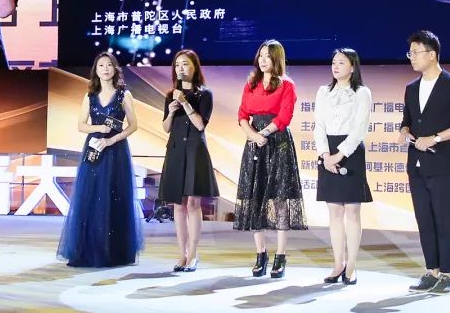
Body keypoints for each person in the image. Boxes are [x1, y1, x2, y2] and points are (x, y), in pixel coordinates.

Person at [398, 30, 450, 294]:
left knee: (444, 219)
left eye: (415, 52)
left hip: (442, 164)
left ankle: (447, 274)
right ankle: (431, 271)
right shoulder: (411, 88)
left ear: (432, 55)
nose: (411, 57)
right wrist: (404, 131)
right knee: (424, 219)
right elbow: (407, 120)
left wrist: (436, 138)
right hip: (416, 164)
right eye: (410, 53)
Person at [57, 53, 144, 267]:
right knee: (91, 197)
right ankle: (89, 250)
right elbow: (81, 125)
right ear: (96, 70)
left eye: (109, 65)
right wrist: (100, 129)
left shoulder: (124, 95)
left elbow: (133, 125)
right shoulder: (90, 96)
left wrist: (112, 139)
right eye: (101, 65)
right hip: (94, 149)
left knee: (115, 196)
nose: (105, 69)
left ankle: (116, 251)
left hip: (116, 151)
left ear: (115, 69)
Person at [235, 39, 306, 278]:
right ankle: (261, 254)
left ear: (277, 59)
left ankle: (281, 256)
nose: (263, 60)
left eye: (268, 56)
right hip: (255, 143)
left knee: (279, 200)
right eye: (261, 55)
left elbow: (284, 116)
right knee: (255, 199)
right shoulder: (251, 84)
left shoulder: (287, 85)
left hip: (278, 143)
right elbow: (242, 115)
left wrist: (264, 133)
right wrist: (253, 135)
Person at [314, 48, 372, 286]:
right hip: (328, 151)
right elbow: (318, 125)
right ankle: (338, 264)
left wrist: (340, 154)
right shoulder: (323, 92)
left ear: (352, 67)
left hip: (351, 151)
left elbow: (360, 128)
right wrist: (325, 155)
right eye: (333, 62)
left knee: (352, 211)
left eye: (341, 62)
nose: (335, 66)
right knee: (334, 212)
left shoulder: (362, 92)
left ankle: (351, 266)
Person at [158, 49, 219, 272]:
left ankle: (193, 254)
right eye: (177, 65)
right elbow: (165, 128)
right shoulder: (170, 95)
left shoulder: (205, 94)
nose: (180, 68)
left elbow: (200, 125)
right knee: (178, 204)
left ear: (195, 67)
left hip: (195, 151)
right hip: (175, 151)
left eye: (185, 64)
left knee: (193, 203)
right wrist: (171, 111)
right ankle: (181, 254)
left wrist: (185, 103)